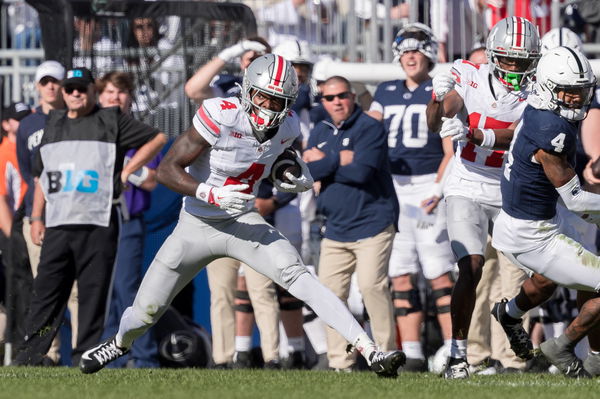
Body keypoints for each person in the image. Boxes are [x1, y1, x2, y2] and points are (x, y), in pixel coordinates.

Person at [79, 54, 406, 377]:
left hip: (242, 222)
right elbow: (167, 169)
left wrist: (291, 171)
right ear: (248, 91)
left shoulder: (287, 125)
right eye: (263, 96)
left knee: (299, 277)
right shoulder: (221, 114)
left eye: (278, 101)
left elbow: (280, 156)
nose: (268, 106)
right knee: (146, 311)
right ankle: (120, 342)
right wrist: (210, 192)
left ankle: (370, 350)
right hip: (196, 224)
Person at [13, 67, 167, 366]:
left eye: (81, 88)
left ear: (92, 92)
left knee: (92, 297)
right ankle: (30, 356)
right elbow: (41, 176)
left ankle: (85, 357)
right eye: (69, 88)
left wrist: (127, 170)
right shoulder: (53, 123)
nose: (74, 93)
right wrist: (36, 217)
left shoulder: (109, 119)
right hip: (58, 224)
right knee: (46, 292)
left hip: (97, 222)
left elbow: (158, 139)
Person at [425, 16, 541, 379]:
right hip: (468, 183)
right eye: (507, 59)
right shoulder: (469, 74)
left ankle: (512, 344)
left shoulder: (538, 88)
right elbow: (436, 122)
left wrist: (475, 134)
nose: (513, 67)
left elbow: (521, 137)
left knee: (527, 274)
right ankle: (460, 355)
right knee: (470, 266)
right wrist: (438, 97)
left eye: (521, 61)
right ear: (492, 55)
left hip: (511, 185)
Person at [491, 46, 600, 378]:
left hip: (530, 220)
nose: (578, 99)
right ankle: (560, 346)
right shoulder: (549, 131)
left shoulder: (539, 110)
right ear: (549, 87)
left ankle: (510, 313)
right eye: (570, 92)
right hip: (533, 235)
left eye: (582, 91)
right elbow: (578, 201)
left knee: (554, 280)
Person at [367, 23, 454, 372]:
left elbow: (452, 149)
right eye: (405, 51)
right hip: (393, 189)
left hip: (427, 185)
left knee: (439, 274)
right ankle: (414, 353)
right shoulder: (385, 91)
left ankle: (453, 349)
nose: (410, 57)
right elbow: (368, 135)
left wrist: (437, 188)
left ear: (429, 53)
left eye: (416, 50)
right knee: (400, 274)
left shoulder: (440, 89)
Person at [304, 75, 399, 372]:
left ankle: (386, 354)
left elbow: (361, 173)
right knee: (330, 296)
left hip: (372, 223)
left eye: (342, 95)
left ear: (353, 96)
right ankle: (340, 362)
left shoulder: (370, 127)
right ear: (322, 100)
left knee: (372, 287)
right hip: (335, 226)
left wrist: (325, 162)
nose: (336, 102)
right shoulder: (320, 129)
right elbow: (308, 170)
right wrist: (338, 158)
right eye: (329, 98)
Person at [96, 71, 162, 368]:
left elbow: (150, 180)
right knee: (103, 292)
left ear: (130, 98)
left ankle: (144, 357)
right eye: (109, 91)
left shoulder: (140, 132)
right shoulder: (90, 129)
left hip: (127, 219)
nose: (114, 97)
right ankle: (110, 360)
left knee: (127, 289)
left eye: (120, 92)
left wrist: (122, 168)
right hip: (95, 222)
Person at [14, 60, 75, 365]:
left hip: (73, 212)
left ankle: (81, 351)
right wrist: (36, 213)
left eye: (56, 82)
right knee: (45, 290)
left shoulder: (75, 117)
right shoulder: (28, 124)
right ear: (38, 86)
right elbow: (29, 172)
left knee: (76, 291)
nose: (51, 87)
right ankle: (46, 355)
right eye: (45, 82)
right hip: (38, 215)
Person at [184, 37, 270, 105]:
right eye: (251, 60)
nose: (255, 64)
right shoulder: (230, 84)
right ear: (242, 62)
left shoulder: (275, 86)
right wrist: (228, 54)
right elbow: (193, 91)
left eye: (259, 60)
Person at [0, 103, 31, 238]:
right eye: (19, 119)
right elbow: (1, 200)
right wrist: (13, 239)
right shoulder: (4, 154)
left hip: (30, 224)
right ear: (6, 125)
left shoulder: (28, 148)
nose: (25, 122)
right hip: (14, 229)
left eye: (28, 117)